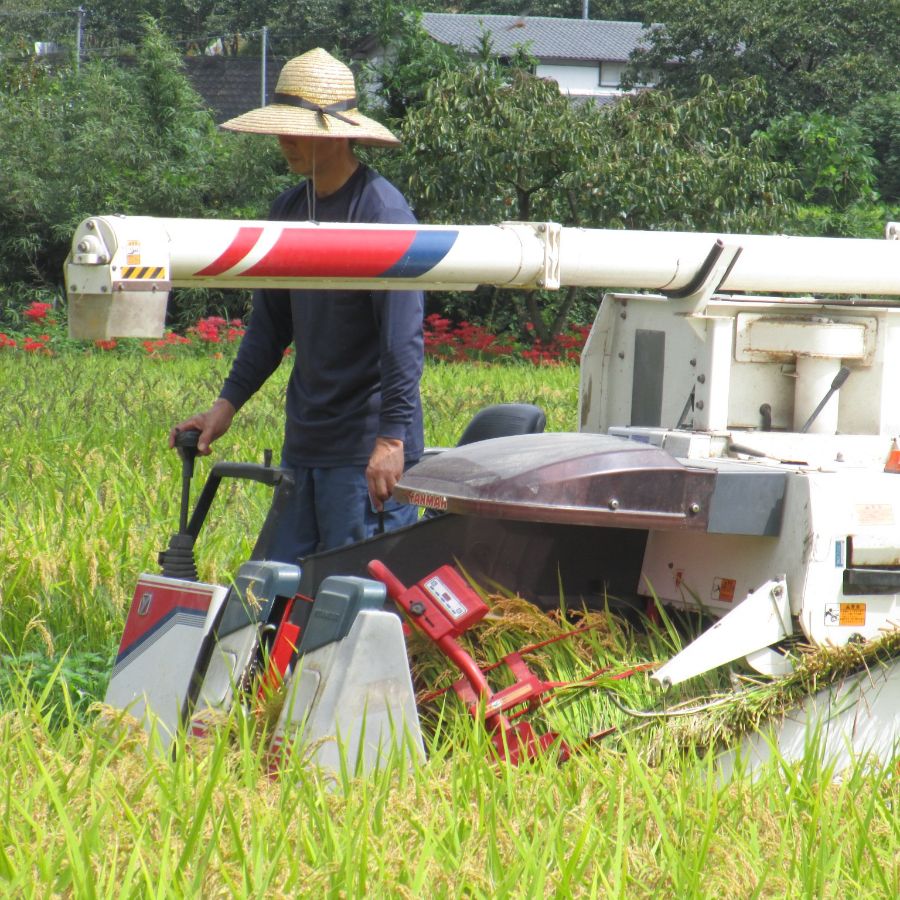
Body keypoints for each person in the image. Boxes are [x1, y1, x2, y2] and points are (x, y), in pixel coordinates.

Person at [170, 48, 424, 562]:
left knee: (354, 607)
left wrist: (392, 440)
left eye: (296, 129)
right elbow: (269, 328)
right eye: (280, 128)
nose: (283, 140)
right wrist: (225, 408)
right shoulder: (286, 210)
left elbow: (402, 341)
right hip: (305, 445)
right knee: (278, 601)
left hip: (364, 454)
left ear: (337, 133)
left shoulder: (380, 211)